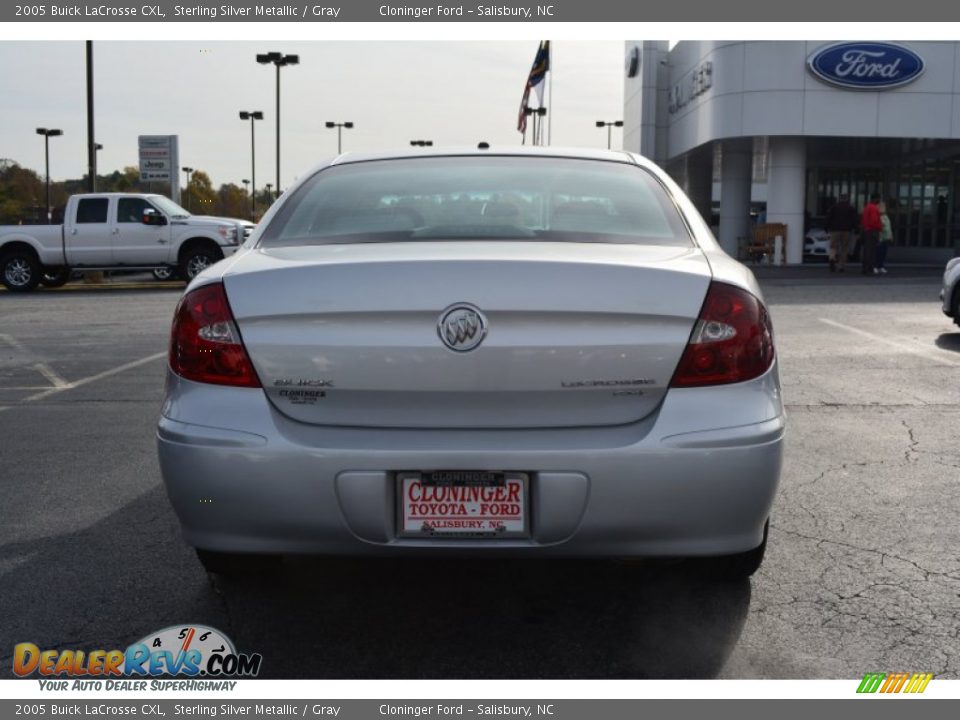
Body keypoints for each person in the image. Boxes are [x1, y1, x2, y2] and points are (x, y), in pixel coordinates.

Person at [824, 193, 858, 273]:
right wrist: (856, 229)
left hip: (834, 230)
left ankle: (832, 258)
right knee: (844, 248)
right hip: (846, 230)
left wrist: (826, 227)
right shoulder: (851, 208)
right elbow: (854, 220)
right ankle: (841, 266)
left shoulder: (833, 207)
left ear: (839, 199)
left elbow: (828, 218)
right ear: (847, 199)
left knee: (833, 246)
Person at [860, 193, 883, 275]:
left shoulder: (867, 207)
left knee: (867, 250)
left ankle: (865, 268)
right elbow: (874, 221)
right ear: (875, 199)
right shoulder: (874, 208)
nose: (879, 201)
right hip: (872, 231)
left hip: (866, 230)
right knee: (871, 251)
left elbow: (863, 220)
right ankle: (869, 268)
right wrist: (879, 227)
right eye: (878, 199)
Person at [877, 201, 892, 274]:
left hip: (886, 237)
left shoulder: (886, 216)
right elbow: (880, 227)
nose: (883, 208)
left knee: (883, 253)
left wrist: (891, 235)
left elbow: (889, 227)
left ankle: (881, 266)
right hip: (881, 237)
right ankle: (876, 266)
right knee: (879, 252)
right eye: (881, 207)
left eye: (884, 207)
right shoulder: (878, 216)